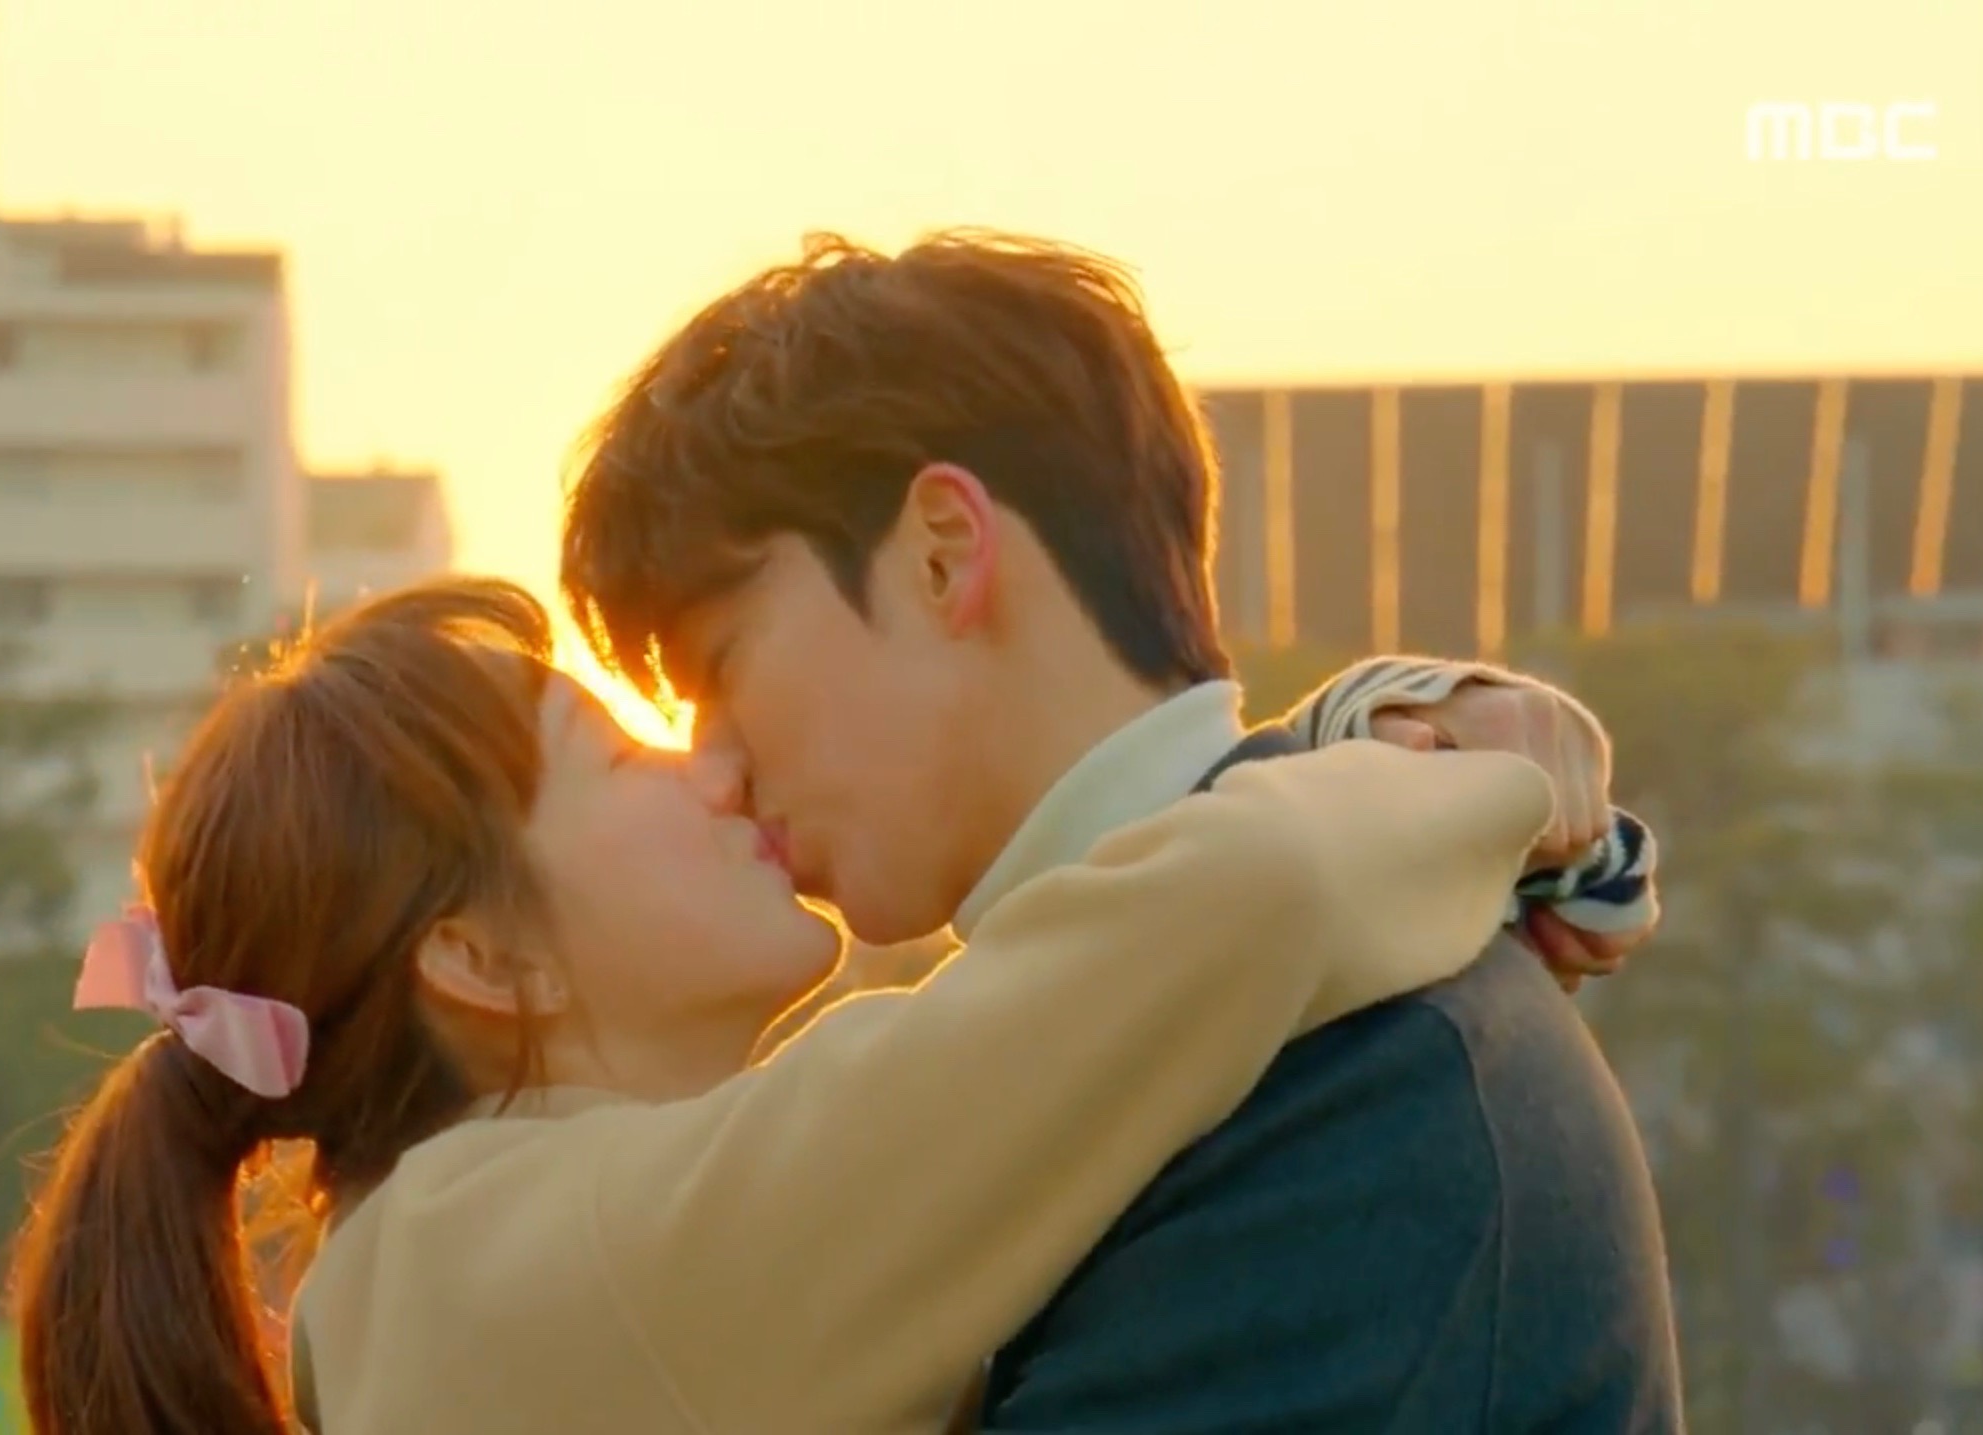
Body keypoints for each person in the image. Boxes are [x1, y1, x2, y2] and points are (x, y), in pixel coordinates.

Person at [5, 579, 1639, 1435]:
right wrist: (1477, 776)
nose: (713, 768)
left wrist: (1372, 730)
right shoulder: (551, 1262)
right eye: (621, 755)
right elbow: (1239, 901)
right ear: (485, 963)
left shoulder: (468, 1263)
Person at [560, 229, 1684, 1430]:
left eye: (722, 662)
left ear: (943, 554)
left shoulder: (1351, 1072)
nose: (713, 771)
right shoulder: (1222, 1021)